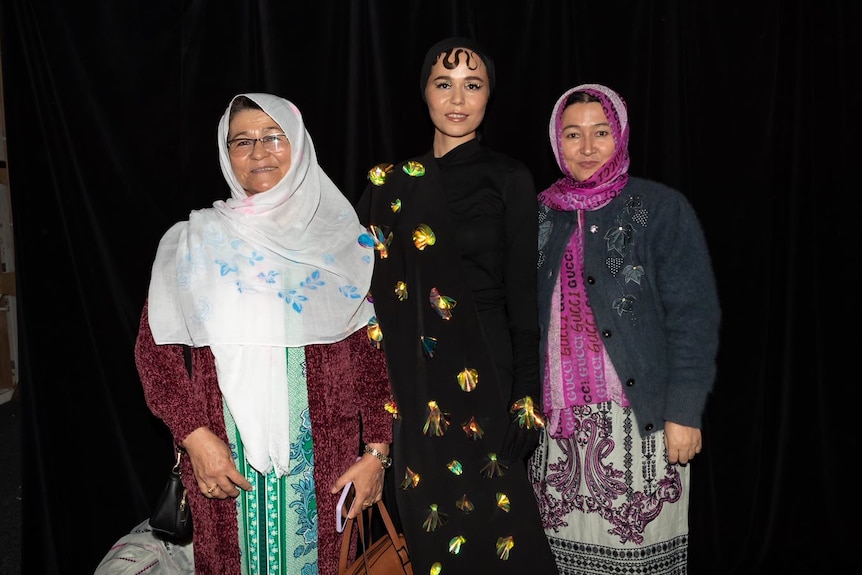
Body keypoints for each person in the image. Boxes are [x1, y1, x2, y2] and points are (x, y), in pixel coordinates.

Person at [134, 93, 394, 575]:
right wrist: (194, 437)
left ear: (299, 146)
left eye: (274, 137)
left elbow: (372, 358)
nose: (259, 152)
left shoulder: (343, 242)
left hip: (329, 469)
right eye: (242, 141)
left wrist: (377, 452)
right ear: (225, 154)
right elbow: (155, 356)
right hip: (223, 468)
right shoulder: (192, 240)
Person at [355, 37, 558, 573]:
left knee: (499, 531)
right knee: (430, 532)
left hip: (486, 379)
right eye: (444, 84)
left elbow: (524, 295)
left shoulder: (509, 177)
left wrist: (528, 396)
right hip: (416, 384)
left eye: (474, 85)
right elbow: (365, 297)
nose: (458, 99)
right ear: (423, 92)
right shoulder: (390, 184)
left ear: (490, 95)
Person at [530, 83, 721, 574]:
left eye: (601, 133)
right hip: (557, 435)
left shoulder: (659, 209)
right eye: (573, 134)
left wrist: (685, 411)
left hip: (642, 427)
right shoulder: (539, 215)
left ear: (621, 137)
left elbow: (693, 317)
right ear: (557, 141)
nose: (588, 148)